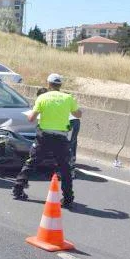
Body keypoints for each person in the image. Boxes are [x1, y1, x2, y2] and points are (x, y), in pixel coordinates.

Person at [13, 73, 82, 208]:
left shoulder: (43, 97)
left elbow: (31, 118)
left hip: (44, 137)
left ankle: (18, 189)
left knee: (31, 162)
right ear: (60, 85)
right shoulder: (68, 98)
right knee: (65, 168)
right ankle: (68, 198)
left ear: (48, 84)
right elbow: (78, 114)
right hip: (61, 138)